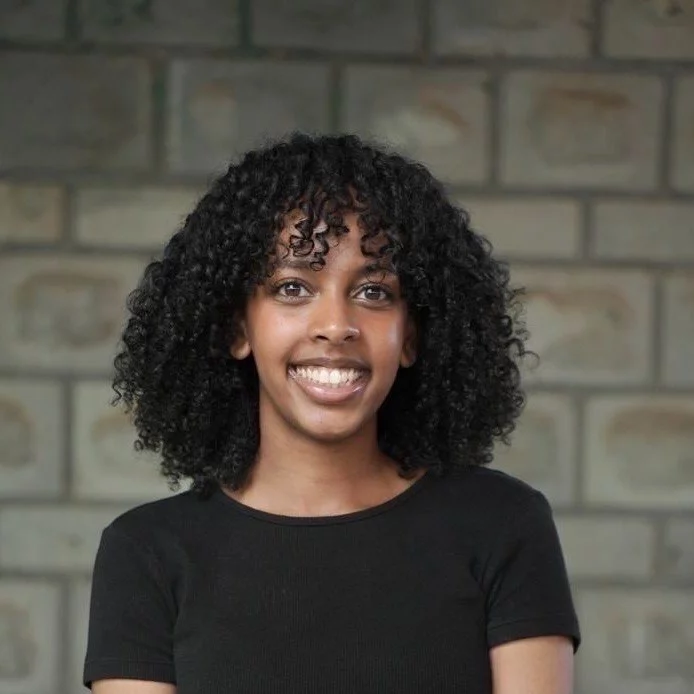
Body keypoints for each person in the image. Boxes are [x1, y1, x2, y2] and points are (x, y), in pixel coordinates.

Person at [84, 133, 580, 694]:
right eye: (293, 287)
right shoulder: (147, 553)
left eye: (373, 292)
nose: (336, 325)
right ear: (237, 328)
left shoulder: (501, 524)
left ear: (411, 336)